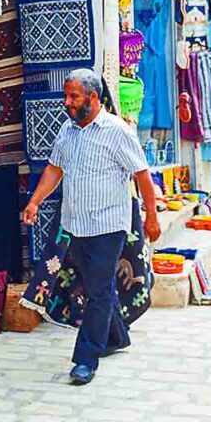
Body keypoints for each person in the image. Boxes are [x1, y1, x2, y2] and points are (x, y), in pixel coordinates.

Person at [22, 68, 160, 385]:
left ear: (93, 97)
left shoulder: (117, 131)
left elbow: (142, 175)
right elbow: (54, 169)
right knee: (100, 288)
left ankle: (86, 360)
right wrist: (35, 201)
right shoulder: (67, 132)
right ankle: (116, 336)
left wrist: (151, 216)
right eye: (66, 95)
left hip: (108, 225)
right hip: (76, 225)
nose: (67, 102)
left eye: (74, 96)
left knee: (97, 291)